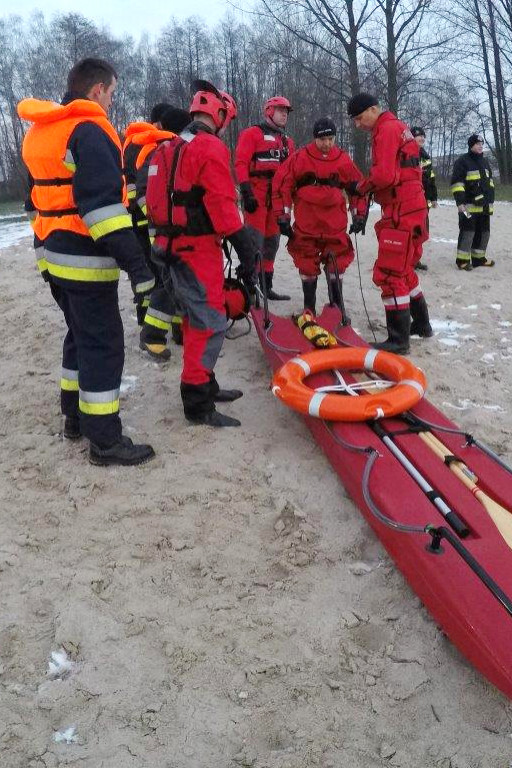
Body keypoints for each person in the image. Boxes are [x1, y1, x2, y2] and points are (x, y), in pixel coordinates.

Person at [18, 58, 156, 465]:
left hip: (53, 257)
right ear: (97, 90)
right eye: (112, 94)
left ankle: (74, 419)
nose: (112, 102)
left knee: (78, 335)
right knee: (102, 344)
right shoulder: (90, 131)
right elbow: (103, 211)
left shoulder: (41, 133)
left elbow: (35, 204)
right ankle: (105, 442)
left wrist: (44, 255)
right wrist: (139, 267)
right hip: (84, 259)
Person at [146, 80, 258, 427]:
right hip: (196, 250)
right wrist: (244, 245)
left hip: (167, 248)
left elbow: (153, 202)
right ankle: (197, 403)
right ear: (220, 115)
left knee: (192, 320)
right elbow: (222, 204)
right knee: (208, 323)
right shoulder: (209, 148)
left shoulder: (165, 149)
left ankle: (205, 384)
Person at [347, 93, 432, 353]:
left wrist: (361, 187)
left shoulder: (385, 129)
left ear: (374, 109)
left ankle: (398, 339)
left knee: (390, 272)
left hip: (401, 210)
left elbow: (384, 175)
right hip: (414, 207)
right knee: (405, 269)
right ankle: (421, 324)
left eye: (360, 118)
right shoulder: (399, 127)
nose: (358, 125)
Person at [272, 117, 367, 316]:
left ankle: (337, 308)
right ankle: (309, 309)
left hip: (334, 224)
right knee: (306, 264)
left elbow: (357, 187)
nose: (327, 144)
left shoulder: (342, 159)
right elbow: (283, 185)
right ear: (315, 138)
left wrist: (359, 215)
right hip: (308, 223)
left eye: (331, 139)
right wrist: (283, 216)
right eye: (323, 140)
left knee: (337, 263)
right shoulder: (300, 158)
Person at [136, 106, 191, 360]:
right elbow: (143, 195)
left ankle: (180, 329)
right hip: (160, 232)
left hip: (172, 230)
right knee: (167, 283)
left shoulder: (175, 150)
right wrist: (163, 221)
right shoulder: (158, 153)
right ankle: (152, 336)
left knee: (180, 281)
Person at [235, 96, 295, 300]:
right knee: (254, 243)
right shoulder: (252, 134)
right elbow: (241, 163)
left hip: (277, 198)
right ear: (269, 111)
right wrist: (246, 191)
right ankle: (250, 289)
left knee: (272, 243)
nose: (285, 113)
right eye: (280, 110)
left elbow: (291, 174)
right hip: (256, 195)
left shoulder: (287, 142)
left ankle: (266, 286)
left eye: (286, 110)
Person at [123, 102, 171, 325]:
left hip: (130, 214)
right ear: (159, 123)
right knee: (159, 270)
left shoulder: (129, 142)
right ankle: (155, 321)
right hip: (146, 216)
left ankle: (143, 314)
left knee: (143, 270)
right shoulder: (150, 145)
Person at [450, 133, 495, 271]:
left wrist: (490, 201)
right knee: (468, 232)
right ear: (471, 146)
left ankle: (478, 259)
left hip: (485, 206)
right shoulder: (462, 161)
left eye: (482, 144)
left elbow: (490, 183)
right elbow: (457, 184)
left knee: (484, 233)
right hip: (468, 206)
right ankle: (462, 261)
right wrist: (460, 203)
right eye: (477, 144)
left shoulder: (485, 161)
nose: (480, 146)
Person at [411, 126, 438, 271]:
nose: (421, 138)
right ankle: (409, 260)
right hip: (411, 200)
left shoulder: (425, 156)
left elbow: (431, 179)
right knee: (412, 232)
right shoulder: (407, 154)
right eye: (418, 136)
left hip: (424, 201)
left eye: (423, 136)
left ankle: (416, 260)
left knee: (421, 232)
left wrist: (433, 197)